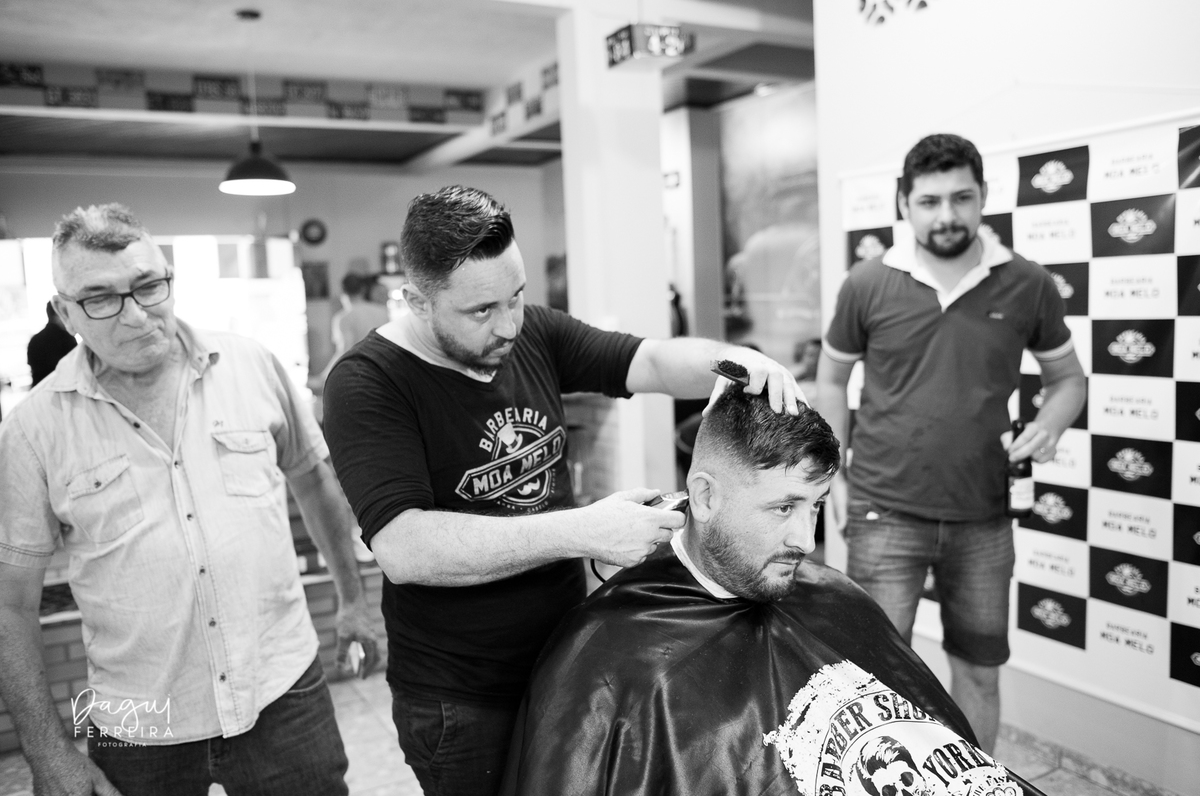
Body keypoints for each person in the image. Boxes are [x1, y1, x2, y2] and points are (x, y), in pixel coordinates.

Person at [322, 184, 806, 796]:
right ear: (417, 300)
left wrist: (735, 360)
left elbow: (652, 361)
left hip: (562, 660)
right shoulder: (368, 384)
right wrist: (583, 530)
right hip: (462, 699)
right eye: (481, 311)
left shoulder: (535, 334)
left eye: (517, 296)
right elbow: (405, 547)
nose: (509, 326)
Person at [0, 204, 380, 796]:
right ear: (64, 312)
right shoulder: (32, 430)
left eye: (148, 286)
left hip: (281, 688)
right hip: (138, 719)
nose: (135, 315)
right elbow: (12, 604)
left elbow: (314, 482)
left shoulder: (251, 365)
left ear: (169, 279)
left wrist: (354, 600)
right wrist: (48, 753)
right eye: (100, 299)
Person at [498, 390, 1046, 796]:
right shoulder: (605, 655)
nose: (806, 541)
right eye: (783, 507)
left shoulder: (833, 594)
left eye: (815, 506)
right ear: (704, 497)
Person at [814, 134, 1087, 753]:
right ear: (903, 204)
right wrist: (835, 474)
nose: (947, 215)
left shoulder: (1028, 283)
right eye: (929, 201)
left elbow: (1068, 380)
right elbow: (831, 380)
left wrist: (1050, 424)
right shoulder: (867, 282)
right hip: (884, 512)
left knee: (980, 672)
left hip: (984, 516)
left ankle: (975, 785)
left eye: (962, 198)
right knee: (876, 678)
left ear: (983, 195)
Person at [27, 299, 77, 385]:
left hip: (40, 388)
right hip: (62, 388)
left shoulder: (35, 339)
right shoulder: (67, 339)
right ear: (59, 314)